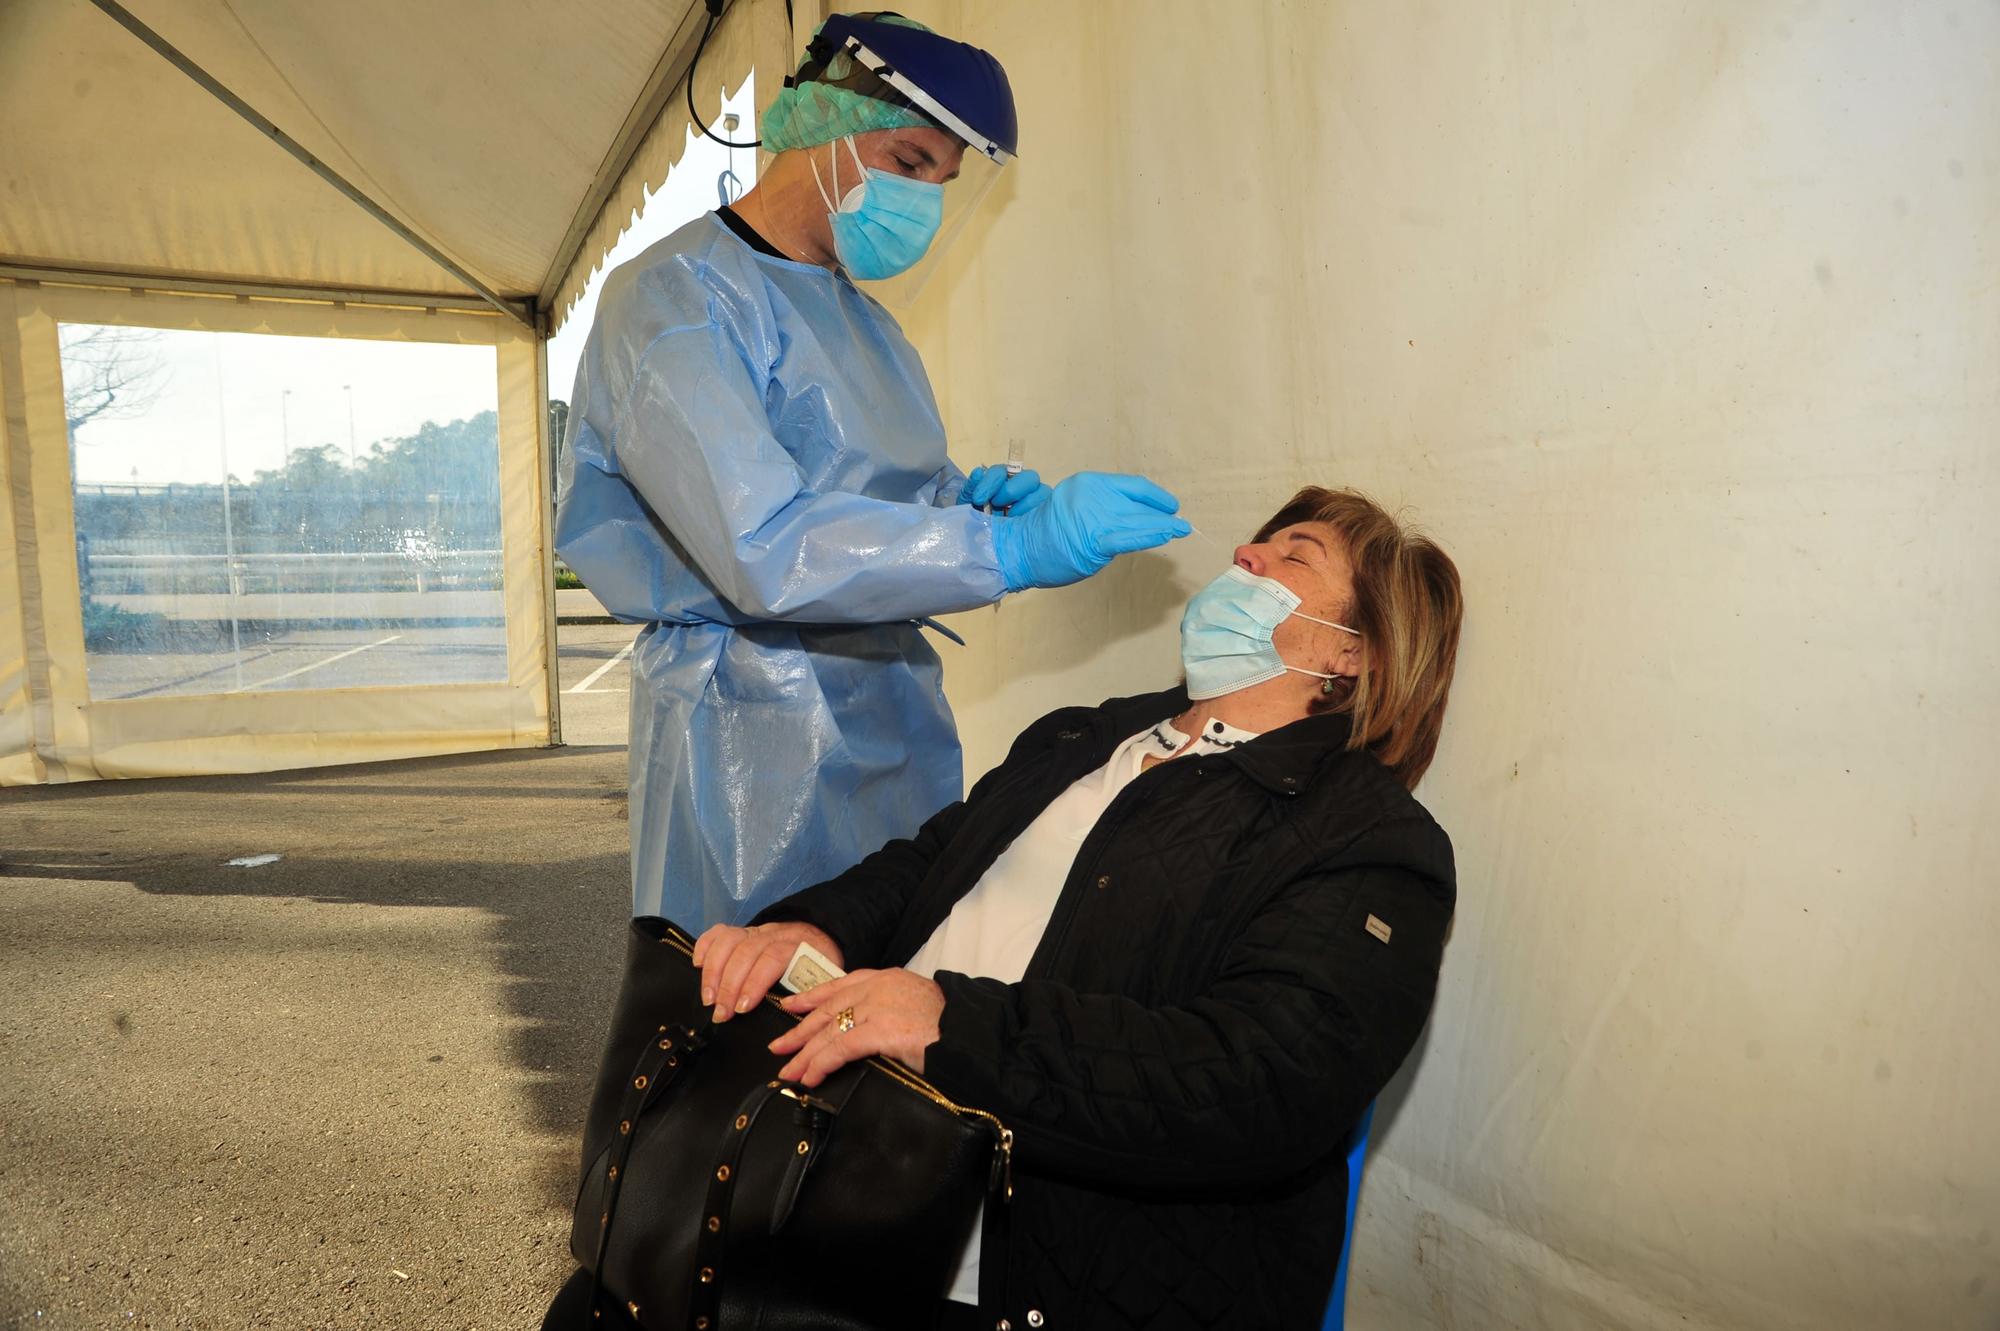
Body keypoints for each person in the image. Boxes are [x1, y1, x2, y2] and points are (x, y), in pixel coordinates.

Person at [689, 486, 1466, 1330]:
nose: (1248, 556)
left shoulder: (1367, 835)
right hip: (848, 1184)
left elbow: (1263, 1078)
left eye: (1295, 556)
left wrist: (952, 1026)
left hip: (1026, 1275)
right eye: (1258, 543)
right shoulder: (1085, 737)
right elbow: (927, 864)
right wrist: (814, 926)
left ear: (1357, 654)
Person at [554, 11, 1189, 928]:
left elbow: (877, 493)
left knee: (889, 981)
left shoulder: (869, 326)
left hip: (894, 716)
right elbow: (765, 544)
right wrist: (1006, 549)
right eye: (909, 161)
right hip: (747, 732)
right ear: (818, 124)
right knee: (749, 1013)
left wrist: (964, 503)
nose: (926, 199)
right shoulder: (675, 299)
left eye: (945, 177)